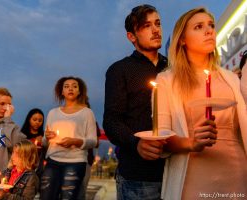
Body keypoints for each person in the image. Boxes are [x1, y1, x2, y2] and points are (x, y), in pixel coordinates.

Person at [156, 7, 247, 200]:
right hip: (191, 172)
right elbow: (162, 135)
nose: (209, 31)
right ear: (182, 39)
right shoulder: (166, 81)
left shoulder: (232, 78)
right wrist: (190, 142)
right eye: (199, 26)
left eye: (211, 25)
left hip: (236, 171)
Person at [103, 4, 167, 200]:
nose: (156, 30)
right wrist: (136, 143)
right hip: (138, 177)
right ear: (132, 36)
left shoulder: (174, 68)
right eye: (146, 26)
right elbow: (112, 122)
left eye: (158, 23)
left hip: (177, 171)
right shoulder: (120, 70)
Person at [41, 76, 97, 200]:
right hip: (52, 161)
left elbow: (93, 141)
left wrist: (76, 141)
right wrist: (47, 137)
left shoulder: (87, 113)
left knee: (68, 197)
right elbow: (45, 142)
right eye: (66, 86)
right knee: (46, 196)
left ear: (79, 91)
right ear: (62, 92)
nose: (70, 88)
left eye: (74, 86)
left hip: (75, 162)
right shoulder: (52, 113)